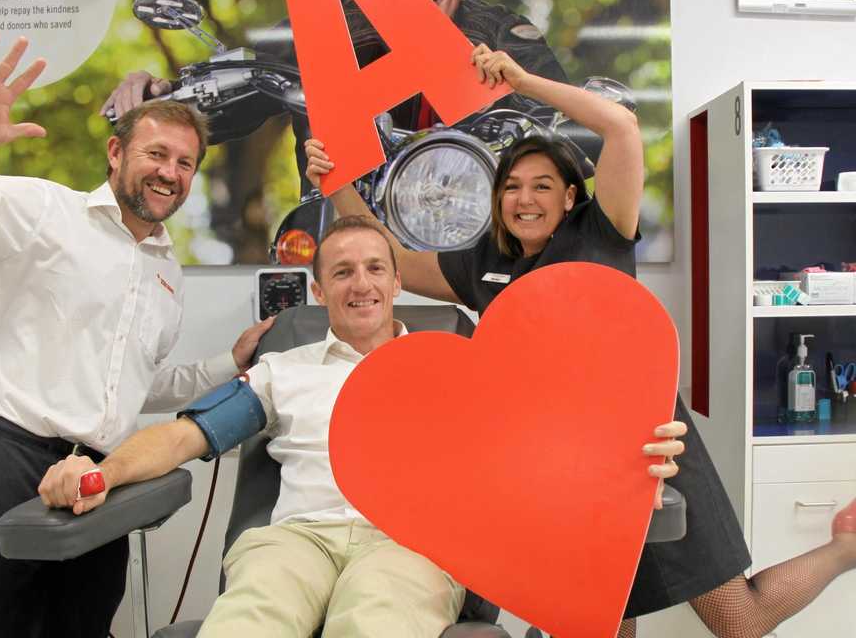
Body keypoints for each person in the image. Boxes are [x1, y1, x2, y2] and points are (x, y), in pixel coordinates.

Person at [305, 45, 856, 638]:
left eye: (543, 186)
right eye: (512, 187)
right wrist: (334, 184)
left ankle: (849, 545)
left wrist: (521, 81)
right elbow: (391, 258)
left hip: (653, 453)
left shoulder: (602, 231)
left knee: (742, 621)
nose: (525, 199)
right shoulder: (484, 263)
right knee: (595, 623)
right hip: (563, 474)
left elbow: (621, 126)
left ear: (570, 196)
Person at [38, 215, 688, 638]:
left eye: (375, 268)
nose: (361, 284)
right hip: (296, 541)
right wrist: (103, 470)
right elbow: (184, 434)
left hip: (411, 545)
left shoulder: (456, 374)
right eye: (342, 272)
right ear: (317, 292)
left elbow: (547, 450)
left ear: (398, 281)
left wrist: (632, 468)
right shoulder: (282, 371)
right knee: (249, 620)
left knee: (376, 623)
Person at [0, 30, 274, 638]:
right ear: (116, 153)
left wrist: (231, 361)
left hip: (98, 478)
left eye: (184, 162)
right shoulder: (43, 213)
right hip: (5, 462)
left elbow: (135, 384)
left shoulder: (166, 270)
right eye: (156, 154)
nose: (169, 172)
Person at [100, 0, 571, 191]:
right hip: (339, 217)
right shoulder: (322, 26)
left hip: (468, 216)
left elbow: (570, 118)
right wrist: (161, 95)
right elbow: (231, 105)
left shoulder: (502, 32)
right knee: (296, 250)